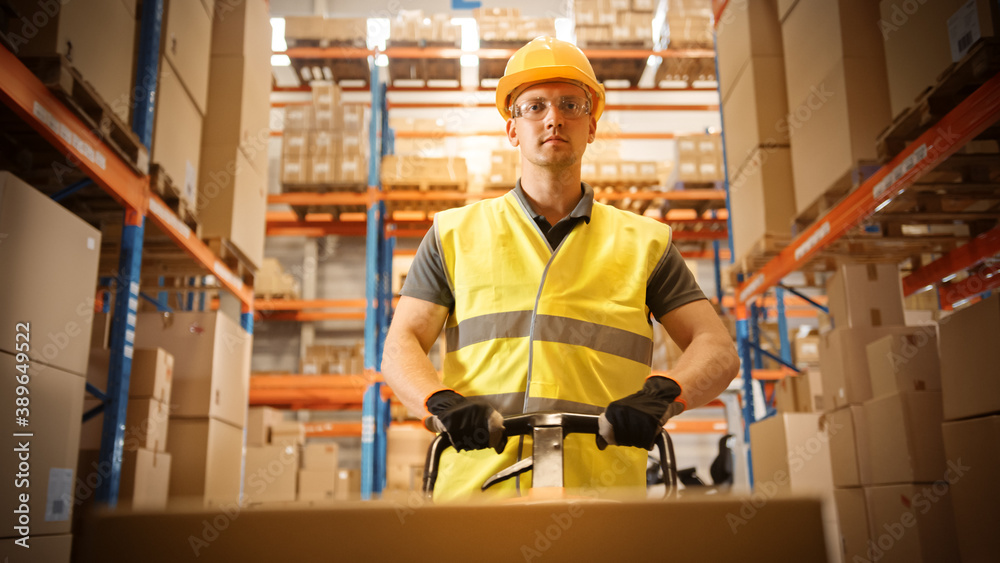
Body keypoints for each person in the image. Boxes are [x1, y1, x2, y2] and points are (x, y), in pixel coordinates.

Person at [381, 37, 739, 502]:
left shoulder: (646, 242)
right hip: (477, 491)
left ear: (591, 126)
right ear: (512, 130)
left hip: (603, 493)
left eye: (571, 104)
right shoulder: (453, 234)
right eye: (534, 106)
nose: (553, 118)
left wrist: (662, 394)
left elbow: (716, 347)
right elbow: (400, 345)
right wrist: (440, 404)